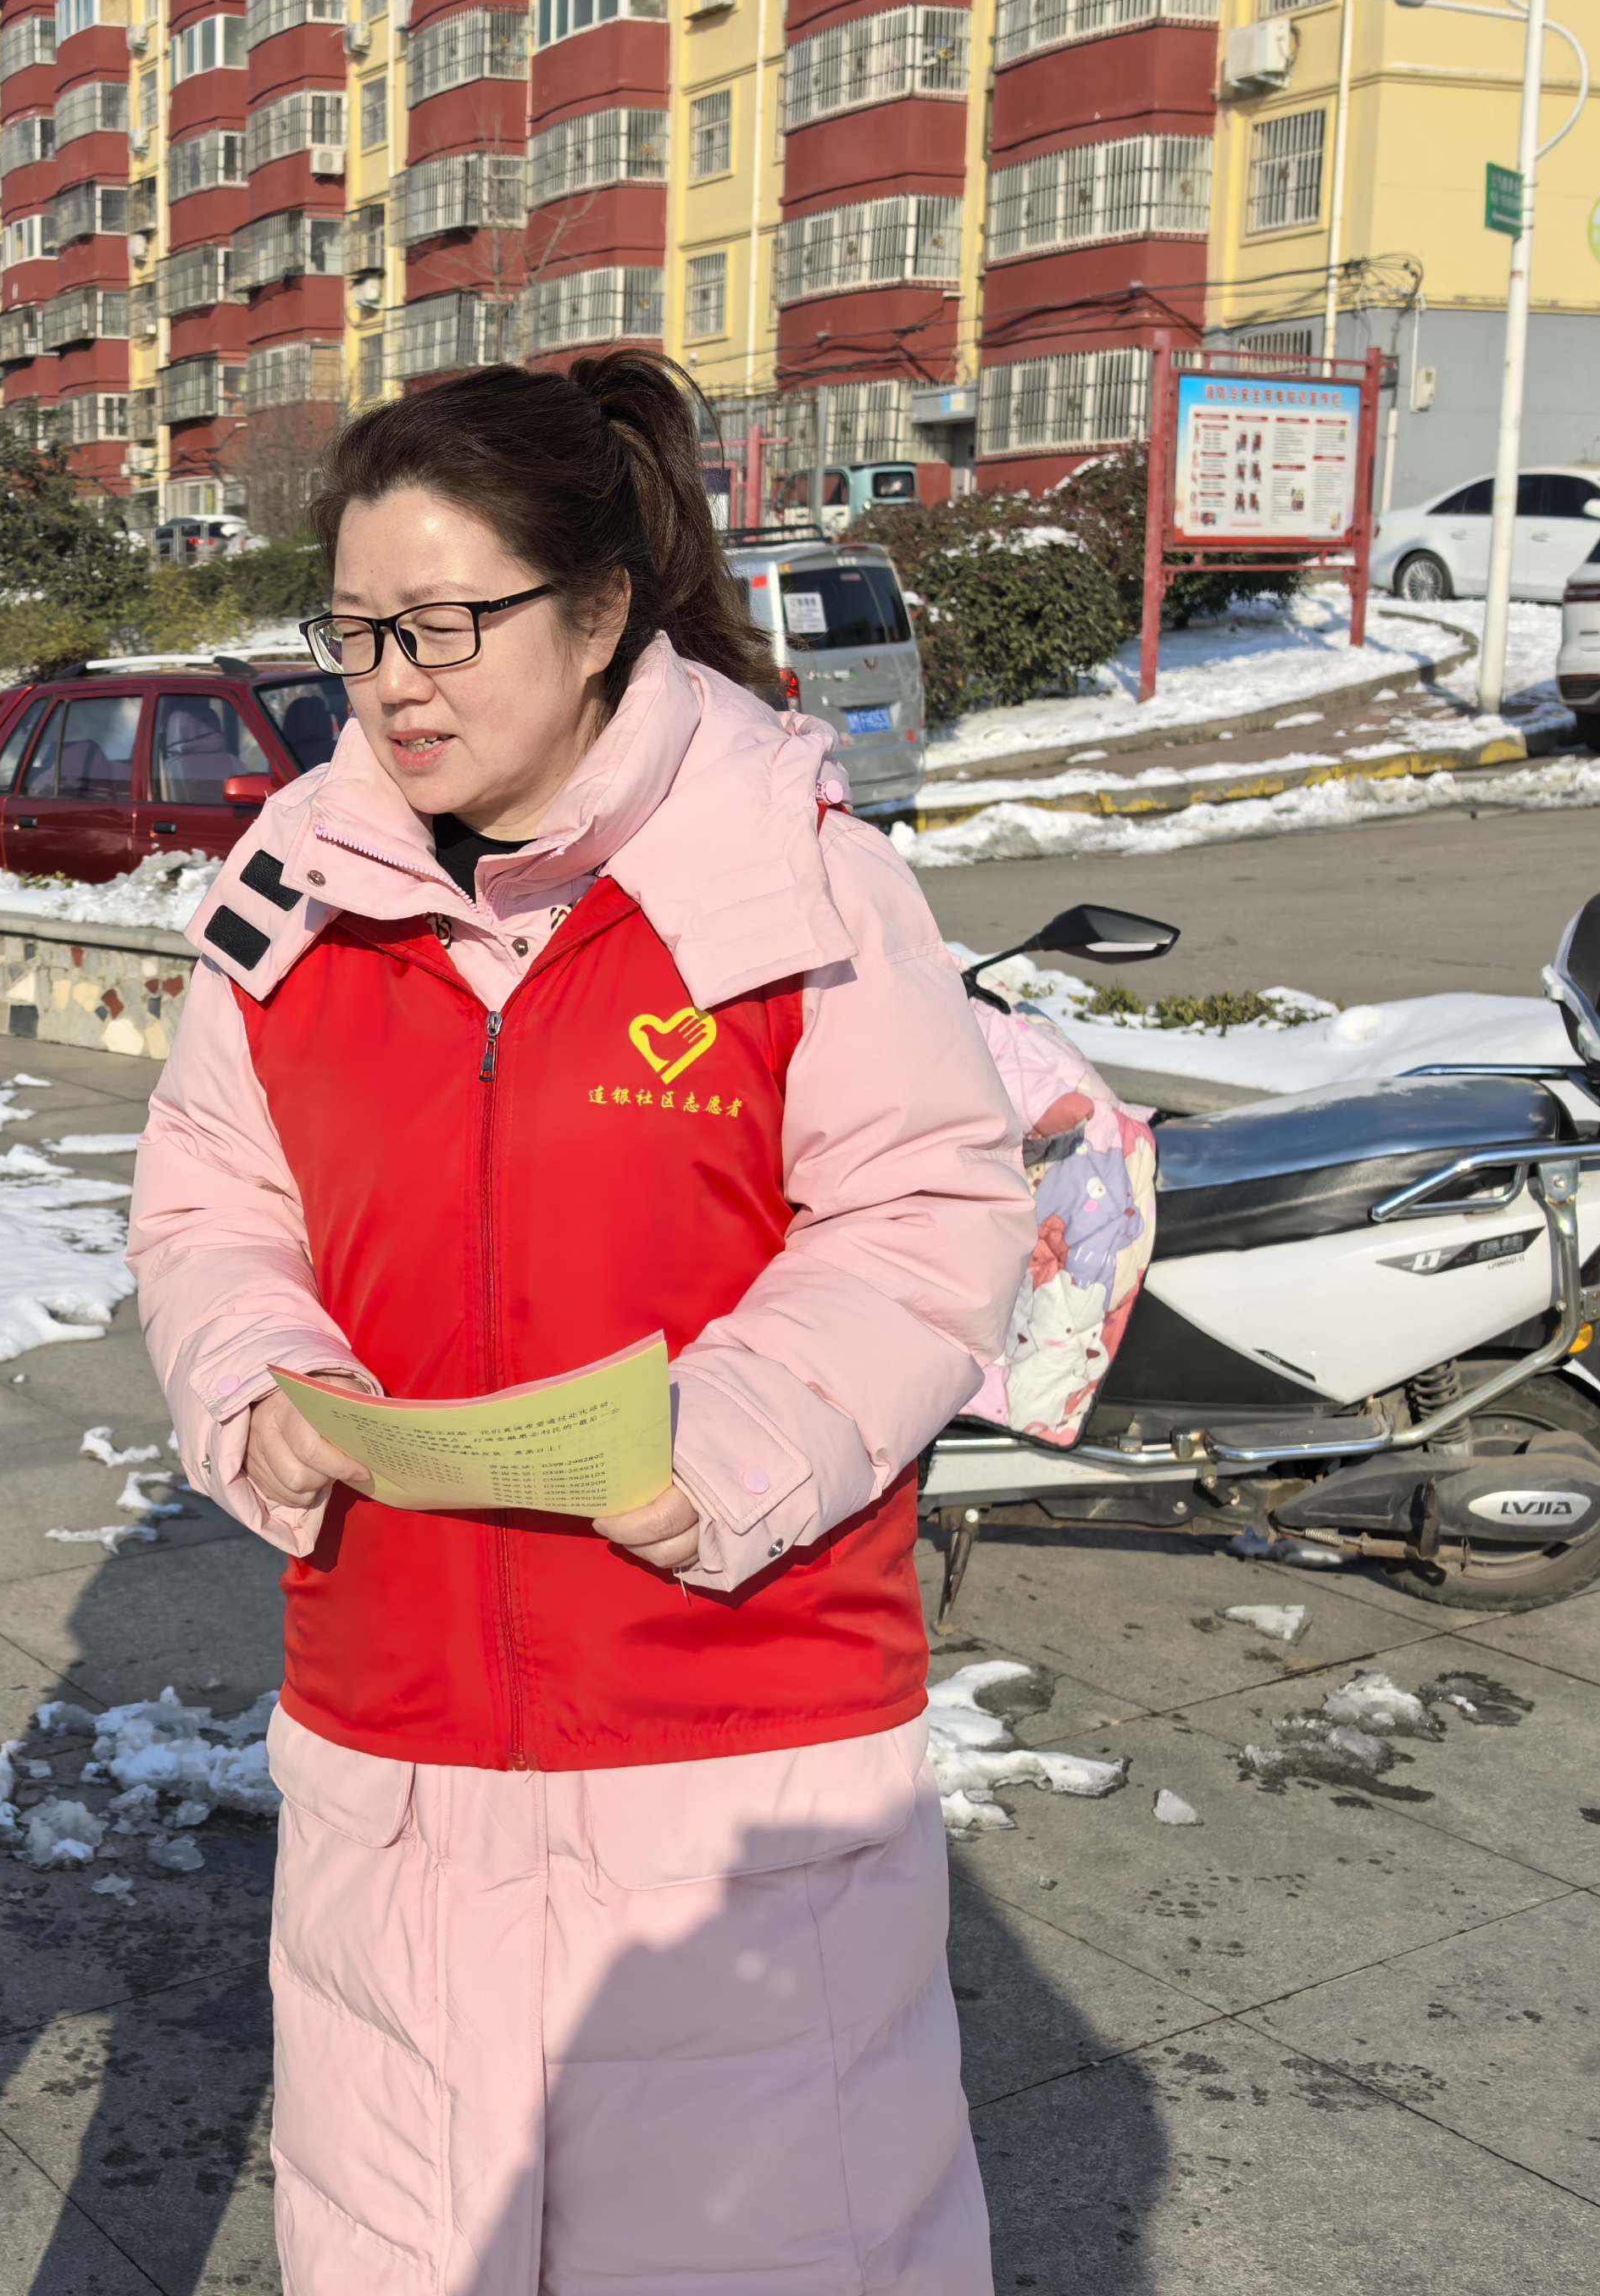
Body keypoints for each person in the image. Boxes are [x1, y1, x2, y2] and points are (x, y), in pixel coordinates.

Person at [130, 353, 1033, 2294]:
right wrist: (256, 1377)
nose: (392, 682)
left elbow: (931, 1206)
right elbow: (211, 1200)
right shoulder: (293, 893)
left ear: (602, 607)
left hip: (725, 1754)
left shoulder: (784, 868)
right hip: (397, 1749)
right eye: (355, 632)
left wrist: (724, 1443)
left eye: (445, 625)